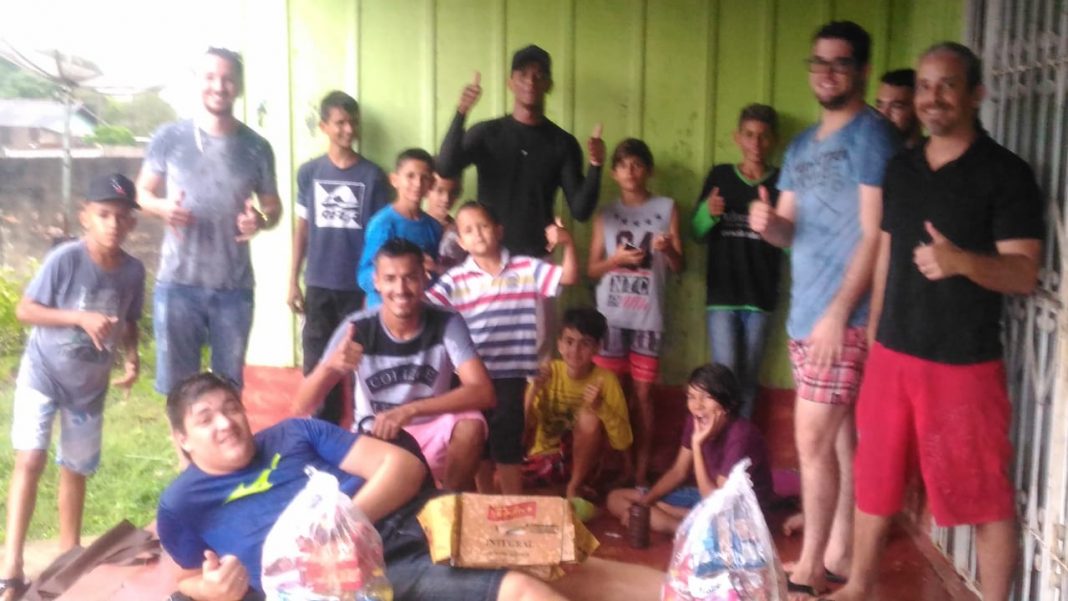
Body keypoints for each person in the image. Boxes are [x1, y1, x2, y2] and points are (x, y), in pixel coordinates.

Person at [828, 43, 1044, 601]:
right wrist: (874, 334)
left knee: (984, 495)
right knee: (875, 479)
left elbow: (1024, 272)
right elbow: (887, 252)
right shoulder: (902, 167)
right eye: (925, 86)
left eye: (947, 85)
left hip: (963, 362)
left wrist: (961, 262)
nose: (932, 97)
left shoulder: (1006, 173)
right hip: (893, 354)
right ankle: (858, 587)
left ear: (976, 94)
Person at [157, 372, 570, 601]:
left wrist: (337, 525)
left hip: (408, 517)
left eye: (231, 409)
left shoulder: (294, 432)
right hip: (349, 579)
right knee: (522, 591)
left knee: (558, 544)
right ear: (183, 439)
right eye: (205, 419)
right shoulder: (181, 504)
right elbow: (186, 577)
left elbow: (403, 467)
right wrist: (210, 589)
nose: (225, 423)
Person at [747, 21, 899, 597]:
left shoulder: (872, 135)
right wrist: (767, 224)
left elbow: (875, 233)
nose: (827, 73)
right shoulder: (801, 146)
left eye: (840, 63)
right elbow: (787, 230)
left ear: (861, 70)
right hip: (806, 315)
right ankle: (838, 551)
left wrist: (839, 312)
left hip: (842, 319)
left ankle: (809, 567)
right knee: (837, 441)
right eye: (819, 62)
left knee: (811, 441)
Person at [0, 174, 145, 600]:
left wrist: (132, 358)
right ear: (86, 217)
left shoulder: (133, 271)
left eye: (121, 217)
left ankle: (68, 560)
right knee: (31, 458)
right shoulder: (65, 259)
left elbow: (130, 320)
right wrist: (79, 318)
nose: (112, 224)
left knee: (75, 470)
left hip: (89, 386)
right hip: (42, 374)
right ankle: (12, 566)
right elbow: (26, 310)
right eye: (103, 215)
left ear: (132, 223)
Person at [437, 45, 606, 358]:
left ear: (548, 85)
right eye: (523, 74)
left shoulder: (562, 143)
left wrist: (596, 166)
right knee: (477, 349)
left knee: (536, 356)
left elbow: (581, 210)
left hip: (534, 265)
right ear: (510, 82)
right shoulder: (487, 133)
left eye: (539, 75)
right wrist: (461, 112)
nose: (531, 80)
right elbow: (445, 167)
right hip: (484, 263)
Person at [137, 47, 281, 394]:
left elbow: (273, 207)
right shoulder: (168, 138)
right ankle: (184, 435)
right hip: (177, 284)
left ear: (239, 86)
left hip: (234, 289)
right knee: (177, 391)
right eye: (210, 77)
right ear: (198, 81)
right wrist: (162, 208)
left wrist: (260, 220)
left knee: (227, 388)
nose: (219, 86)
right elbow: (141, 194)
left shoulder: (257, 147)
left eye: (228, 79)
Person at [293, 238, 490, 491]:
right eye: (390, 279)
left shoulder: (446, 322)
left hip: (431, 431)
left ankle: (445, 504)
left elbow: (483, 391)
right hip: (376, 435)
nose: (400, 289)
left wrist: (410, 410)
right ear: (376, 282)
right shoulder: (357, 328)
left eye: (410, 278)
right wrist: (330, 367)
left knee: (472, 425)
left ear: (424, 278)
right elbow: (302, 405)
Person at [426, 201, 578, 494]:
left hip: (511, 375)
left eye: (483, 226)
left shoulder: (526, 268)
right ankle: (486, 501)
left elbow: (569, 276)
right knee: (479, 442)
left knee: (508, 442)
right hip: (471, 377)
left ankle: (512, 503)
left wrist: (568, 243)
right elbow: (426, 308)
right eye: (468, 230)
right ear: (461, 242)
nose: (477, 234)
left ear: (498, 231)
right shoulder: (455, 279)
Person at [289, 90, 390, 425]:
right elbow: (302, 229)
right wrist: (293, 280)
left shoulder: (373, 176)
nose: (348, 130)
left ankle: (359, 433)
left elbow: (380, 236)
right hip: (318, 285)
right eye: (340, 123)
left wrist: (375, 287)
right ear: (324, 126)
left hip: (358, 288)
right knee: (318, 363)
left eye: (353, 123)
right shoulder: (309, 172)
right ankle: (320, 432)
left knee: (359, 360)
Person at [587, 138, 682, 486]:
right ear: (613, 173)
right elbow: (592, 269)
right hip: (610, 317)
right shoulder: (605, 214)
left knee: (643, 397)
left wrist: (668, 249)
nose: (630, 171)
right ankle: (621, 466)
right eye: (623, 165)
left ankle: (641, 472)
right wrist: (615, 260)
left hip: (648, 316)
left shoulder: (667, 208)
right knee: (611, 395)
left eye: (637, 164)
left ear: (649, 170)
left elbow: (679, 266)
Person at [606, 363, 773, 535]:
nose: (697, 405)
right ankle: (685, 517)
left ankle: (682, 528)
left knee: (650, 513)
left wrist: (697, 445)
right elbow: (679, 471)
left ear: (727, 405)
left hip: (741, 513)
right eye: (691, 397)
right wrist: (645, 503)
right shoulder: (697, 420)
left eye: (706, 397)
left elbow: (719, 503)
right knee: (616, 498)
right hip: (707, 497)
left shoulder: (740, 435)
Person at [693, 104, 783, 420]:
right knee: (724, 379)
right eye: (749, 135)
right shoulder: (720, 176)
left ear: (773, 140)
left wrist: (773, 222)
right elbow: (696, 233)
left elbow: (790, 244)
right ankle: (721, 442)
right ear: (737, 137)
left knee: (748, 381)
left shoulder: (781, 182)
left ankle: (740, 446)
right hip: (723, 295)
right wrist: (708, 214)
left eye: (763, 136)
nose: (756, 143)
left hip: (761, 296)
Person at [525, 308, 633, 502]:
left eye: (585, 344)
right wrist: (533, 390)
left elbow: (622, 442)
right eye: (569, 342)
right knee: (501, 482)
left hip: (582, 467)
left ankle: (573, 487)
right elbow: (521, 428)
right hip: (544, 459)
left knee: (589, 417)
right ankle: (562, 493)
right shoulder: (547, 373)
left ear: (597, 348)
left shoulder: (605, 380)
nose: (575, 351)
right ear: (559, 344)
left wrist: (601, 407)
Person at [357, 148, 442, 308]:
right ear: (394, 180)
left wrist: (432, 269)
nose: (417, 184)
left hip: (418, 308)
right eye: (410, 176)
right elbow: (364, 275)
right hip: (384, 308)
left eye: (424, 178)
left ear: (431, 184)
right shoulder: (383, 224)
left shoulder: (434, 227)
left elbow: (432, 274)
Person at [424, 171, 467, 271]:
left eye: (453, 192)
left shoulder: (460, 229)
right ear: (426, 190)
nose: (446, 199)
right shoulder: (415, 225)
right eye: (439, 191)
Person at [875, 68, 925, 149]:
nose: (884, 114)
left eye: (896, 106)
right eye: (880, 105)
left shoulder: (936, 154)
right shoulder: (867, 150)